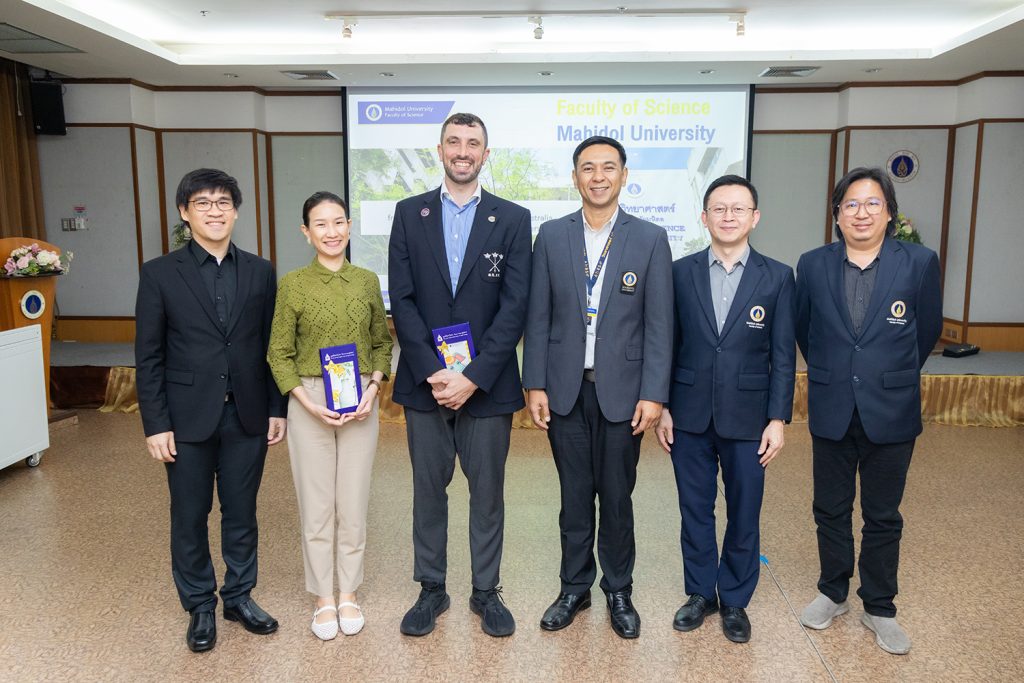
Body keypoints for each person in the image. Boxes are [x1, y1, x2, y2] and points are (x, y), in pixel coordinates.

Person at [388, 112, 532, 638]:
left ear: (486, 154)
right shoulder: (410, 213)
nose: (463, 151)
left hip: (487, 386)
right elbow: (402, 299)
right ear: (440, 150)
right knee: (428, 491)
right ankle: (432, 588)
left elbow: (515, 307)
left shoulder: (512, 218)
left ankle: (485, 591)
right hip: (424, 383)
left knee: (487, 494)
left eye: (473, 143)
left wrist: (472, 375)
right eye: (454, 141)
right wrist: (434, 371)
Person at [523, 135, 673, 639]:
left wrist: (654, 393)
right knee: (572, 497)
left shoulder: (649, 238)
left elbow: (660, 325)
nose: (598, 176)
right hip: (564, 391)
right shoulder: (552, 235)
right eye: (588, 168)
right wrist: (534, 383)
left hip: (624, 395)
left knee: (616, 498)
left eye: (609, 167)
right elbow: (538, 316)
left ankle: (619, 589)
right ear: (575, 177)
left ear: (624, 176)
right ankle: (573, 587)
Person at [135, 168, 287, 653]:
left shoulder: (261, 271)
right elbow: (148, 355)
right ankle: (200, 604)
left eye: (223, 202)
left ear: (236, 211)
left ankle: (239, 596)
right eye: (203, 203)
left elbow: (271, 346)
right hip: (185, 419)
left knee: (242, 513)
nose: (214, 211)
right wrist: (156, 424)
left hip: (247, 414)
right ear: (185, 212)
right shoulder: (159, 273)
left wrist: (277, 408)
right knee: (189, 514)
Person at [795, 167, 942, 655]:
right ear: (837, 215)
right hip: (832, 404)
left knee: (883, 514)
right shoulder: (813, 264)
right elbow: (805, 329)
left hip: (892, 408)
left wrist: (886, 373)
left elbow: (926, 331)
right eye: (851, 204)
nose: (861, 213)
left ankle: (879, 606)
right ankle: (833, 591)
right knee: (830, 508)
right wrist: (838, 372)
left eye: (872, 203)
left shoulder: (918, 262)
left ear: (890, 213)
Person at [654, 175, 795, 643]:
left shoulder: (778, 276)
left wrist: (777, 418)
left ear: (755, 217)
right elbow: (667, 344)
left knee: (744, 511)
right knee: (694, 510)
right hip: (688, 414)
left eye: (739, 209)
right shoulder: (679, 272)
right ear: (704, 217)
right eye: (719, 208)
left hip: (750, 418)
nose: (728, 216)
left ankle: (734, 598)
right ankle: (700, 593)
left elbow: (782, 355)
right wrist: (664, 406)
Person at [267, 192, 392, 641]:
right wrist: (306, 401)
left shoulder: (366, 281)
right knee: (317, 507)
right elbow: (278, 353)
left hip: (360, 399)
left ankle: (349, 593)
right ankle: (323, 597)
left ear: (350, 226)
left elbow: (381, 343)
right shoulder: (293, 284)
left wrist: (373, 388)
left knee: (353, 505)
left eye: (338, 222)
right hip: (310, 399)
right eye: (320, 224)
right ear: (306, 232)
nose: (332, 232)